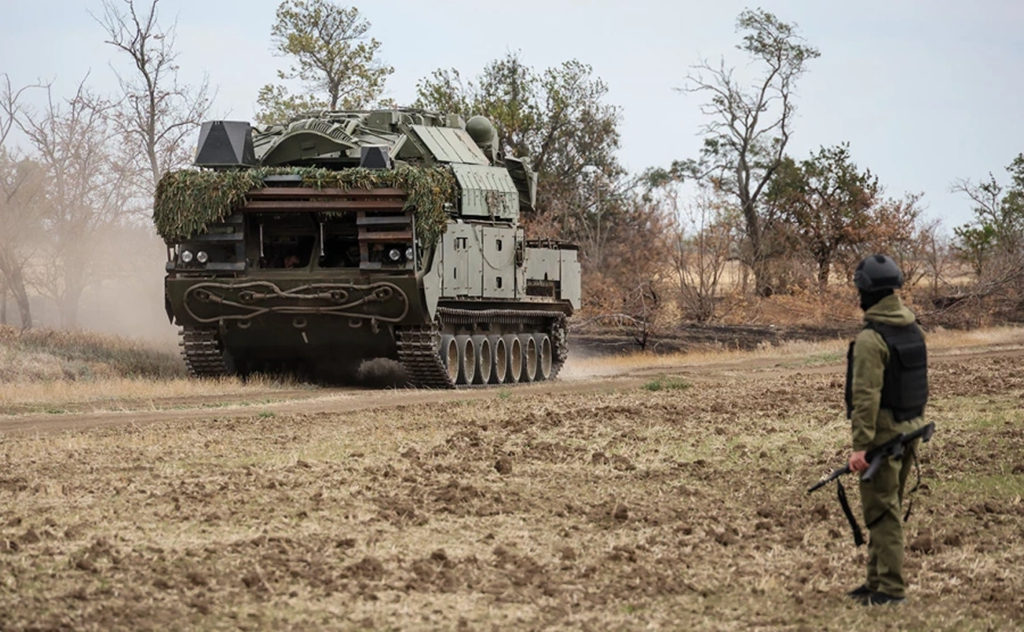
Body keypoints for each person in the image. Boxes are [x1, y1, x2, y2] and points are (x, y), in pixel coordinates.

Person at [845, 254, 930, 606]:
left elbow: (865, 398)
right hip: (911, 430)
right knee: (888, 507)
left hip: (883, 438)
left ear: (866, 292)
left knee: (882, 513)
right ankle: (875, 582)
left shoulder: (871, 339)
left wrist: (861, 447)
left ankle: (891, 590)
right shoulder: (912, 329)